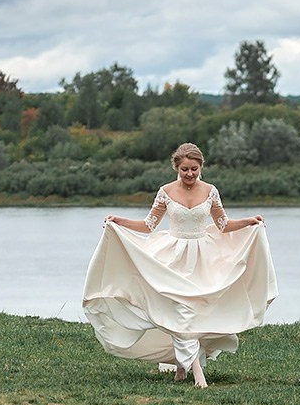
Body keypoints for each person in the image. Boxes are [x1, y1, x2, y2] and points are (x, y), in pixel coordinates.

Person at [83, 142, 278, 387]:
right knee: (179, 311)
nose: (190, 174)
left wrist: (250, 221)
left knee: (194, 312)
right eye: (185, 169)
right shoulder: (165, 191)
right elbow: (149, 225)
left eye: (194, 169)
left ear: (201, 167)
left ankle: (181, 367)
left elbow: (223, 225)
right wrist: (118, 221)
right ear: (177, 167)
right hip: (172, 256)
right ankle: (197, 373)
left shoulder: (210, 191)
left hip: (203, 258)